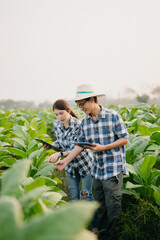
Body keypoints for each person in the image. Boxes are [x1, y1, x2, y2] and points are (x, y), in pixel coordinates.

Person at [55, 85, 129, 240]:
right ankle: (102, 235)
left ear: (93, 100)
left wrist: (104, 147)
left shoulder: (112, 116)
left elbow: (125, 139)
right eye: (78, 105)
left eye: (83, 104)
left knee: (113, 207)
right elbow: (79, 145)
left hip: (113, 169)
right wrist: (65, 161)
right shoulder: (85, 122)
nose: (81, 108)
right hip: (97, 171)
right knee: (100, 207)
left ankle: (114, 236)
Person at [44, 99, 98, 232]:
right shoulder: (57, 125)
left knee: (86, 195)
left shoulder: (78, 125)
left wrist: (59, 154)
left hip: (84, 164)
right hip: (69, 167)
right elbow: (60, 141)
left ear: (68, 111)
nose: (59, 117)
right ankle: (77, 226)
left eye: (61, 113)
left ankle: (95, 226)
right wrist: (52, 146)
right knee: (74, 197)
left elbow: (78, 147)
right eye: (56, 114)